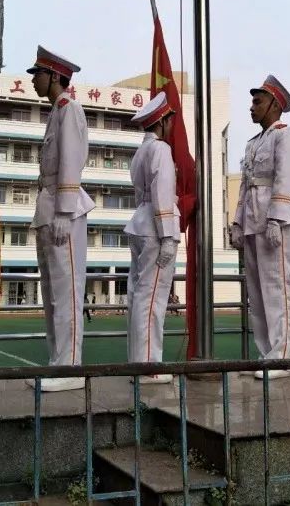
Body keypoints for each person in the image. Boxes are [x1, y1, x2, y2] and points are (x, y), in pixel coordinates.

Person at [27, 46, 95, 392]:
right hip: (49, 206)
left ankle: (69, 366)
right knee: (52, 292)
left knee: (66, 291)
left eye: (37, 74)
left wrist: (65, 212)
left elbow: (72, 160)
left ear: (55, 76)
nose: (34, 80)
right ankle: (58, 362)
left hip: (62, 209)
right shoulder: (56, 112)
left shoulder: (69, 110)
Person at [230, 75, 290, 379]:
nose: (252, 107)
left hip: (275, 219)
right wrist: (236, 222)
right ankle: (265, 352)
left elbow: (286, 177)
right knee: (256, 292)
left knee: (276, 287)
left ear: (275, 104)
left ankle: (281, 356)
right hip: (253, 219)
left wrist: (276, 217)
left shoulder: (285, 136)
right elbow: (246, 185)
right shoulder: (253, 142)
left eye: (258, 101)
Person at [124, 92, 181, 384]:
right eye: (170, 119)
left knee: (138, 297)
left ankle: (138, 363)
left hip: (140, 225)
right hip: (156, 230)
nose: (172, 125)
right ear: (161, 120)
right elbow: (162, 195)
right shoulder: (160, 149)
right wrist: (169, 235)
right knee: (152, 301)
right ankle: (149, 366)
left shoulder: (140, 151)